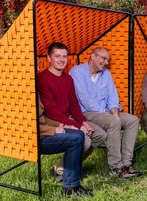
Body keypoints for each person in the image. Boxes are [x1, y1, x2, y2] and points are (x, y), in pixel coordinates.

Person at [69, 47, 141, 179]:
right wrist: (110, 116)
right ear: (93, 56)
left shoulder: (106, 74)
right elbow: (84, 99)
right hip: (86, 113)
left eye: (108, 60)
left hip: (105, 112)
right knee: (114, 121)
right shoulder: (77, 72)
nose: (106, 62)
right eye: (103, 58)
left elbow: (112, 95)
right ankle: (115, 166)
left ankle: (126, 164)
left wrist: (114, 111)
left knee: (133, 120)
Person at [38, 42, 105, 181]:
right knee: (85, 140)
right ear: (49, 58)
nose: (62, 60)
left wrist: (83, 122)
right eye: (57, 56)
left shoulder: (67, 78)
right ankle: (68, 172)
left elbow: (74, 105)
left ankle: (63, 166)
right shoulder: (42, 79)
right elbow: (51, 111)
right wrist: (77, 126)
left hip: (68, 118)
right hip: (53, 120)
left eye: (64, 56)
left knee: (100, 134)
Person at [38, 99, 92, 196]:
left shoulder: (34, 92)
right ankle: (70, 188)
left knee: (79, 134)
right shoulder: (25, 96)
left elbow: (43, 119)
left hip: (44, 133)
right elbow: (30, 126)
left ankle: (72, 179)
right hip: (36, 141)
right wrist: (54, 129)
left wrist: (60, 125)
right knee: (75, 140)